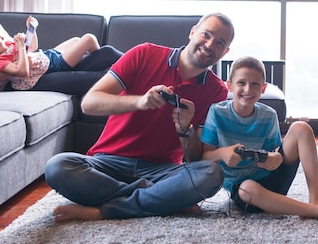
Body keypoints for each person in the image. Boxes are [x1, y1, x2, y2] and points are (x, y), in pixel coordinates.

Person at [44, 12, 235, 222]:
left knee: (211, 173)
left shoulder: (217, 91)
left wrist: (185, 129)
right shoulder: (144, 54)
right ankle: (160, 197)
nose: (209, 44)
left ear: (224, 52)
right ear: (192, 32)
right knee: (57, 167)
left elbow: (194, 159)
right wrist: (140, 102)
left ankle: (106, 211)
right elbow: (89, 103)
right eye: (206, 34)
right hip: (108, 163)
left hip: (162, 170)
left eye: (219, 42)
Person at [200, 56, 318, 227]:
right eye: (241, 83)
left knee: (301, 128)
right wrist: (222, 153)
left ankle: (315, 201)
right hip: (243, 190)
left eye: (255, 84)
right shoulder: (217, 112)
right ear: (230, 86)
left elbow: (274, 152)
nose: (248, 89)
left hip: (271, 178)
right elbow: (204, 157)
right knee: (247, 188)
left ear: (263, 88)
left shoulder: (269, 115)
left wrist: (276, 158)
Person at [0, 20, 103, 91]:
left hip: (47, 55)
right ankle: (98, 58)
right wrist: (21, 48)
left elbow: (33, 47)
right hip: (55, 66)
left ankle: (92, 59)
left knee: (77, 40)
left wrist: (31, 29)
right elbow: (22, 71)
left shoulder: (6, 46)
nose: (1, 36)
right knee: (88, 39)